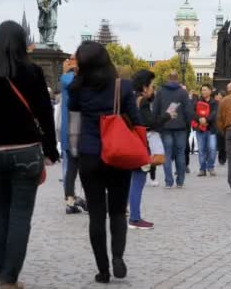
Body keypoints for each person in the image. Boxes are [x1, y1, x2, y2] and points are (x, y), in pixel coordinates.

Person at [0, 21, 59, 288]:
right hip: (25, 152)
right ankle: (9, 277)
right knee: (20, 216)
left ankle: (1, 266)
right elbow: (45, 115)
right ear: (21, 42)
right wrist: (51, 150)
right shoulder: (33, 73)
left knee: (1, 210)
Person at [68, 40, 140, 283]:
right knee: (118, 211)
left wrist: (75, 151)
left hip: (90, 156)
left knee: (96, 215)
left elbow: (74, 123)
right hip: (118, 155)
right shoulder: (123, 86)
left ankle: (103, 270)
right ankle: (118, 256)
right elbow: (138, 121)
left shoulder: (77, 89)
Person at [129, 69, 173, 230]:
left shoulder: (130, 98)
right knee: (138, 181)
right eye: (152, 86)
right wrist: (168, 115)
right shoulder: (142, 102)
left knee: (129, 181)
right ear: (144, 87)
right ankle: (134, 218)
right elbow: (149, 123)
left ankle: (125, 212)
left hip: (128, 144)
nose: (153, 89)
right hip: (140, 145)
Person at [153, 72, 193, 188]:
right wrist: (187, 124)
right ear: (178, 79)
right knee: (180, 154)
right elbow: (188, 110)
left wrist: (155, 125)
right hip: (180, 127)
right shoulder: (182, 92)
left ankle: (168, 182)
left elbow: (155, 109)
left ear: (168, 79)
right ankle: (180, 181)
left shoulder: (160, 91)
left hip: (165, 127)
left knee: (167, 155)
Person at [59, 56, 87, 214]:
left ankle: (70, 201)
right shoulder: (74, 80)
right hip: (80, 127)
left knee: (71, 167)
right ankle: (86, 199)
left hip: (68, 128)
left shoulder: (64, 78)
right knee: (84, 166)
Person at [193, 84, 218, 177]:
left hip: (211, 129)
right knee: (201, 150)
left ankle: (210, 166)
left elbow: (214, 113)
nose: (203, 92)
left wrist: (206, 120)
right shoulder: (197, 101)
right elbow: (193, 112)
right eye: (202, 90)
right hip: (200, 129)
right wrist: (200, 119)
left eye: (205, 90)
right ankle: (202, 169)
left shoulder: (214, 102)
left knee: (212, 149)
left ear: (210, 91)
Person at [214, 90, 227, 165]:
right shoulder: (216, 104)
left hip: (223, 125)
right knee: (220, 143)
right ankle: (221, 157)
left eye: (219, 95)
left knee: (223, 143)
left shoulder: (224, 103)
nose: (217, 96)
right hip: (217, 125)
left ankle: (223, 158)